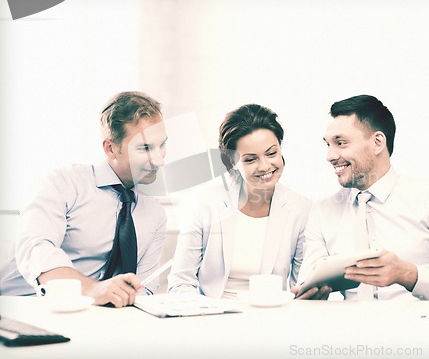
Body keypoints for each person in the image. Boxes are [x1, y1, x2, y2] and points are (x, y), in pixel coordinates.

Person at [294, 95, 429, 301]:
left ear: (377, 143)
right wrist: (309, 297)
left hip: (422, 328)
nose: (329, 156)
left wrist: (407, 274)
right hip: (349, 329)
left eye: (340, 143)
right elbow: (306, 286)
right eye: (328, 144)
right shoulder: (322, 212)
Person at [0, 91, 168, 307]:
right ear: (111, 148)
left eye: (161, 145)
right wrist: (91, 289)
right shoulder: (64, 183)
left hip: (97, 319)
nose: (159, 160)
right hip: (25, 307)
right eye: (145, 148)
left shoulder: (155, 213)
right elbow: (35, 248)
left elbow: (145, 289)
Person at [168, 104, 311, 298]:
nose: (265, 166)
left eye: (271, 153)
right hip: (211, 316)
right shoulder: (205, 204)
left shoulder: (301, 208)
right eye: (250, 159)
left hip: (272, 318)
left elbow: (301, 285)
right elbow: (181, 281)